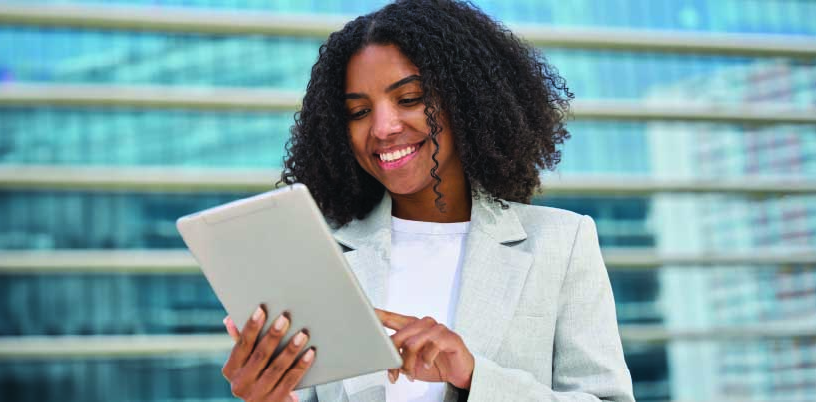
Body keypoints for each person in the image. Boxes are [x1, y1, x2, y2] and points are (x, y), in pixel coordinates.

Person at [220, 0, 634, 401]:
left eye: (409, 99)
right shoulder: (320, 253)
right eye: (359, 112)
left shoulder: (561, 243)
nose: (382, 128)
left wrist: (473, 377)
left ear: (466, 100)